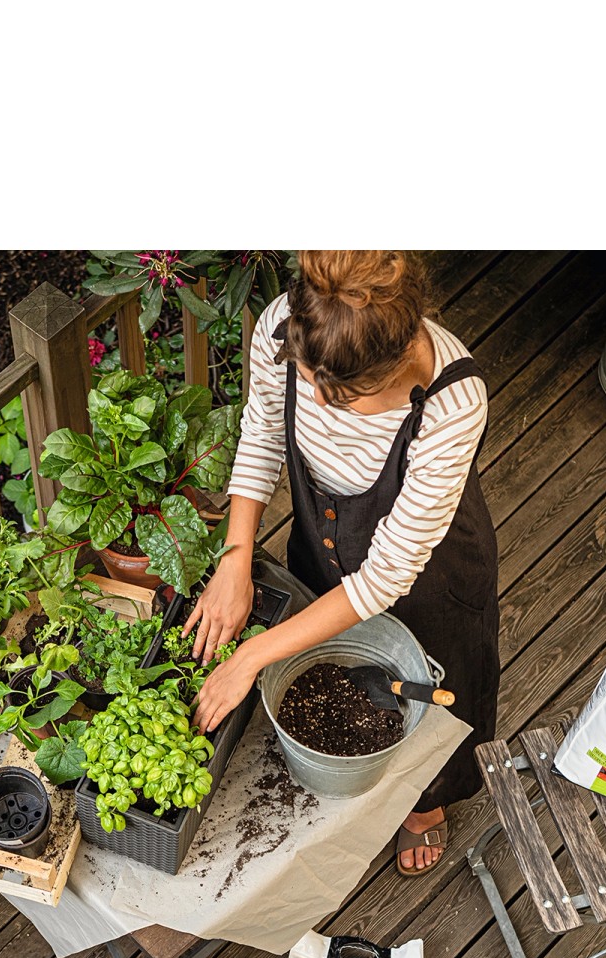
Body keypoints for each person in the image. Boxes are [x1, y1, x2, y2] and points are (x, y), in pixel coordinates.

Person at [187, 251, 499, 876]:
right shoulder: (284, 326)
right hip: (321, 536)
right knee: (332, 670)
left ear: (406, 347)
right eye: (310, 384)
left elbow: (386, 575)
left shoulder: (451, 404)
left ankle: (425, 805)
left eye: (344, 399)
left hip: (426, 578)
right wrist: (235, 558)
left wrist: (250, 655)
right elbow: (262, 436)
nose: (320, 408)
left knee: (438, 698)